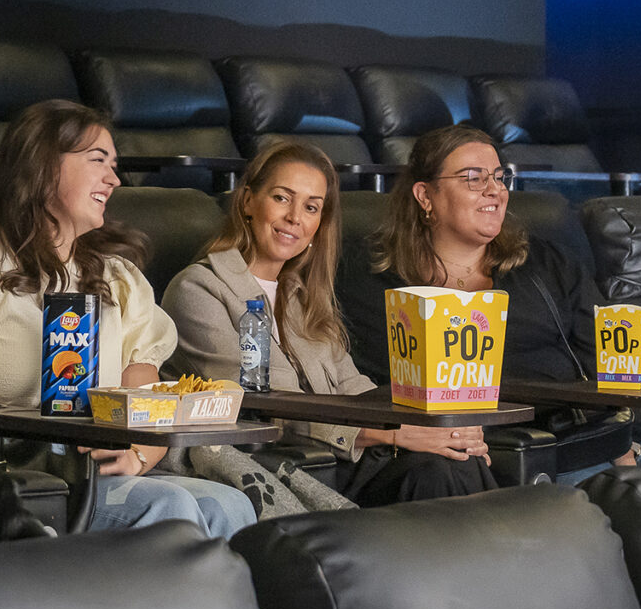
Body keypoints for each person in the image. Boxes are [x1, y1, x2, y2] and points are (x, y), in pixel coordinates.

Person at [0, 100, 257, 541]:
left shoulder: (119, 280)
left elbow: (145, 410)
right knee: (167, 506)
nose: (114, 179)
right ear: (43, 166)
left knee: (229, 503)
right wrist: (4, 480)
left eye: (114, 166)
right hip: (2, 473)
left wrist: (136, 455)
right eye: (98, 160)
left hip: (89, 471)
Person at [340, 122, 641, 484]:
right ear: (425, 196)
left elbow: (609, 359)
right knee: (619, 500)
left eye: (499, 177)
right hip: (515, 448)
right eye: (473, 178)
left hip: (594, 429)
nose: (495, 191)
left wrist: (625, 440)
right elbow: (379, 386)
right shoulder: (374, 284)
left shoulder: (547, 263)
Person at [165, 140, 494, 506]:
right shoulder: (198, 289)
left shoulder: (303, 296)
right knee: (438, 471)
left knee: (457, 456)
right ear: (247, 202)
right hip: (281, 469)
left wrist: (439, 428)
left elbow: (353, 386)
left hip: (341, 462)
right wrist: (391, 434)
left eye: (311, 207)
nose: (295, 217)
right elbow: (257, 408)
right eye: (281, 198)